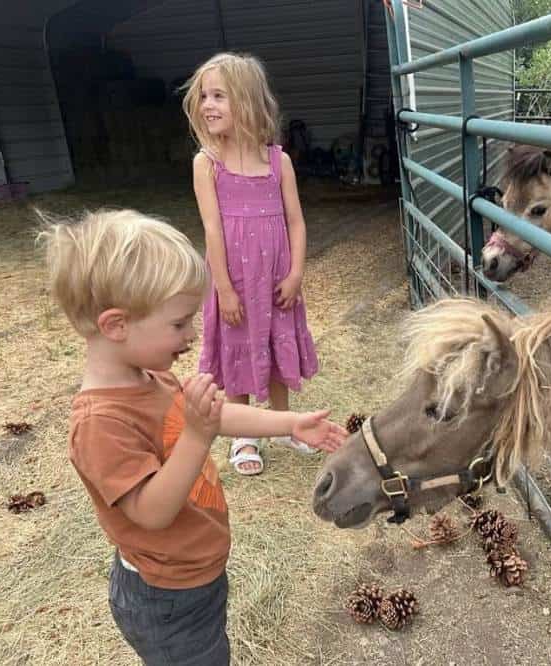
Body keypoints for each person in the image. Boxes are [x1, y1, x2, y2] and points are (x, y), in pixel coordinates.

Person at [38, 209, 346, 665]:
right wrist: (197, 436)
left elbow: (216, 417)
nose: (192, 334)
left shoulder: (149, 377)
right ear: (116, 325)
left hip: (195, 578)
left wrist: (288, 423)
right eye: (179, 323)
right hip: (165, 599)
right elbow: (151, 511)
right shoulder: (100, 423)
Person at [182, 52, 318, 476]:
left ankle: (284, 424)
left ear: (246, 101)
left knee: (277, 341)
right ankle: (243, 435)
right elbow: (212, 229)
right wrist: (223, 288)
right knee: (238, 347)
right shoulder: (207, 164)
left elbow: (296, 222)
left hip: (276, 278)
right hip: (236, 280)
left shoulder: (279, 162)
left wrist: (295, 274)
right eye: (204, 96)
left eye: (218, 96)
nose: (207, 105)